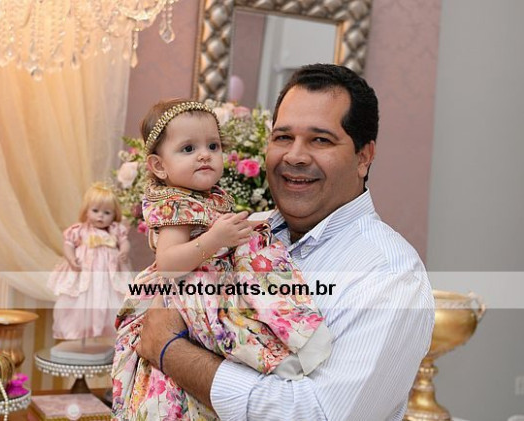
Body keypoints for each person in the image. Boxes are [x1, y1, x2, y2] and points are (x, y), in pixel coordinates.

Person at [133, 64, 435, 420]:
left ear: (364, 157)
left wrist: (170, 351)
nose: (295, 156)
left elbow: (318, 414)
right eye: (282, 137)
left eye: (320, 140)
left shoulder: (390, 276)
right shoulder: (237, 232)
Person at [111, 100, 333, 420]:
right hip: (184, 285)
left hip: (207, 278)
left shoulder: (207, 196)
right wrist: (216, 239)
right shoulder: (174, 202)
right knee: (230, 310)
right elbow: (169, 263)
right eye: (188, 148)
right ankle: (273, 354)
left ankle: (286, 346)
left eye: (212, 146)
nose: (205, 155)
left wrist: (245, 230)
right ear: (159, 166)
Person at [47, 182, 131, 340]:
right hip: (85, 272)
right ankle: (80, 330)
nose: (101, 216)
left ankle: (104, 329)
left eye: (107, 212)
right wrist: (71, 258)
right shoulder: (79, 229)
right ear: (86, 211)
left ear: (114, 215)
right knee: (81, 299)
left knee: (108, 300)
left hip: (107, 273)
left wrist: (124, 251)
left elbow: (124, 241)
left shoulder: (115, 229)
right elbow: (68, 244)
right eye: (95, 211)